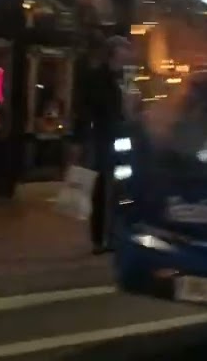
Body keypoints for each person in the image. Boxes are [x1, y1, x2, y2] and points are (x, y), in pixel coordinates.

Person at [73, 33, 129, 254]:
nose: (128, 55)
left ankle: (112, 235)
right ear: (114, 53)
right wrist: (80, 139)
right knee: (102, 188)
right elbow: (87, 109)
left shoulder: (121, 78)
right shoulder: (98, 77)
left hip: (118, 138)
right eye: (125, 50)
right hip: (103, 138)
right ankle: (100, 237)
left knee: (118, 188)